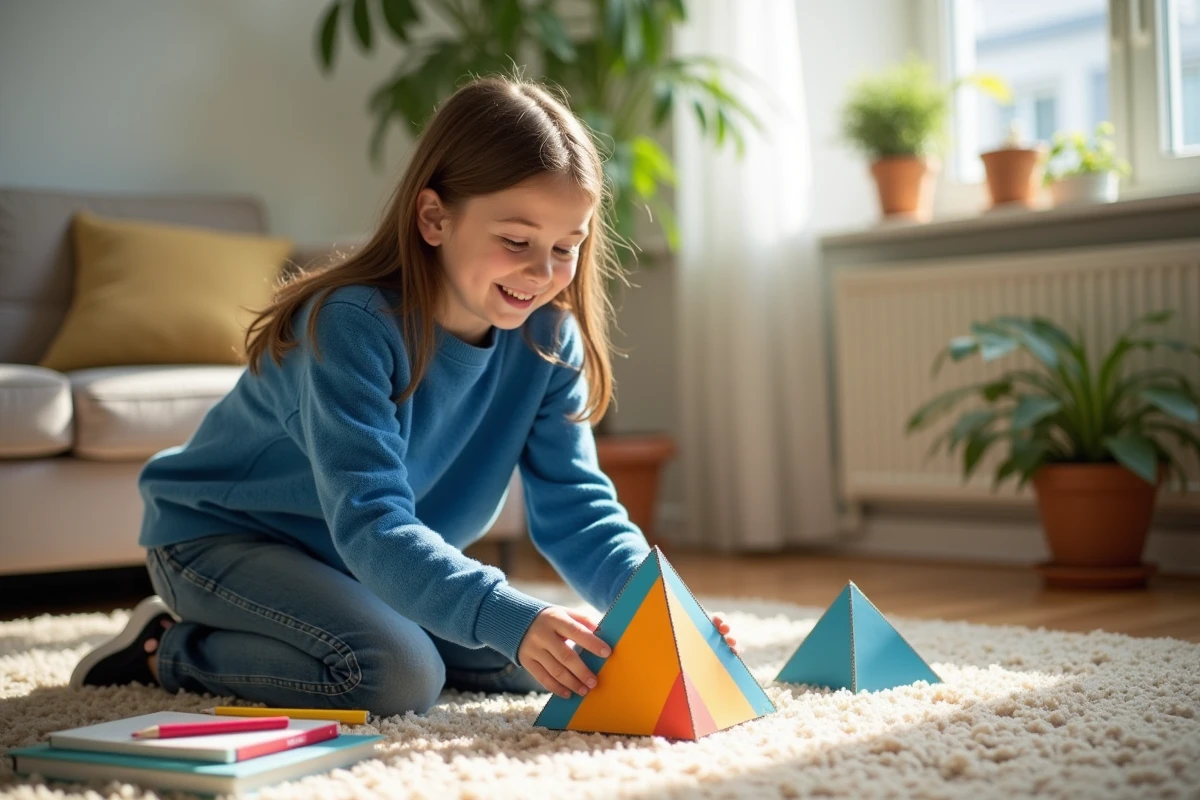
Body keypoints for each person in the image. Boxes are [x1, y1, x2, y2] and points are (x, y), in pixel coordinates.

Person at [71, 76, 738, 716]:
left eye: (568, 246)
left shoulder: (547, 339)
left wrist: (662, 613)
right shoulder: (351, 324)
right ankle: (167, 648)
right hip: (223, 541)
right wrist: (504, 614)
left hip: (366, 566)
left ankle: (353, 621)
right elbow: (373, 522)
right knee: (396, 675)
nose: (543, 272)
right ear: (434, 218)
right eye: (516, 241)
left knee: (561, 655)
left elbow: (578, 509)